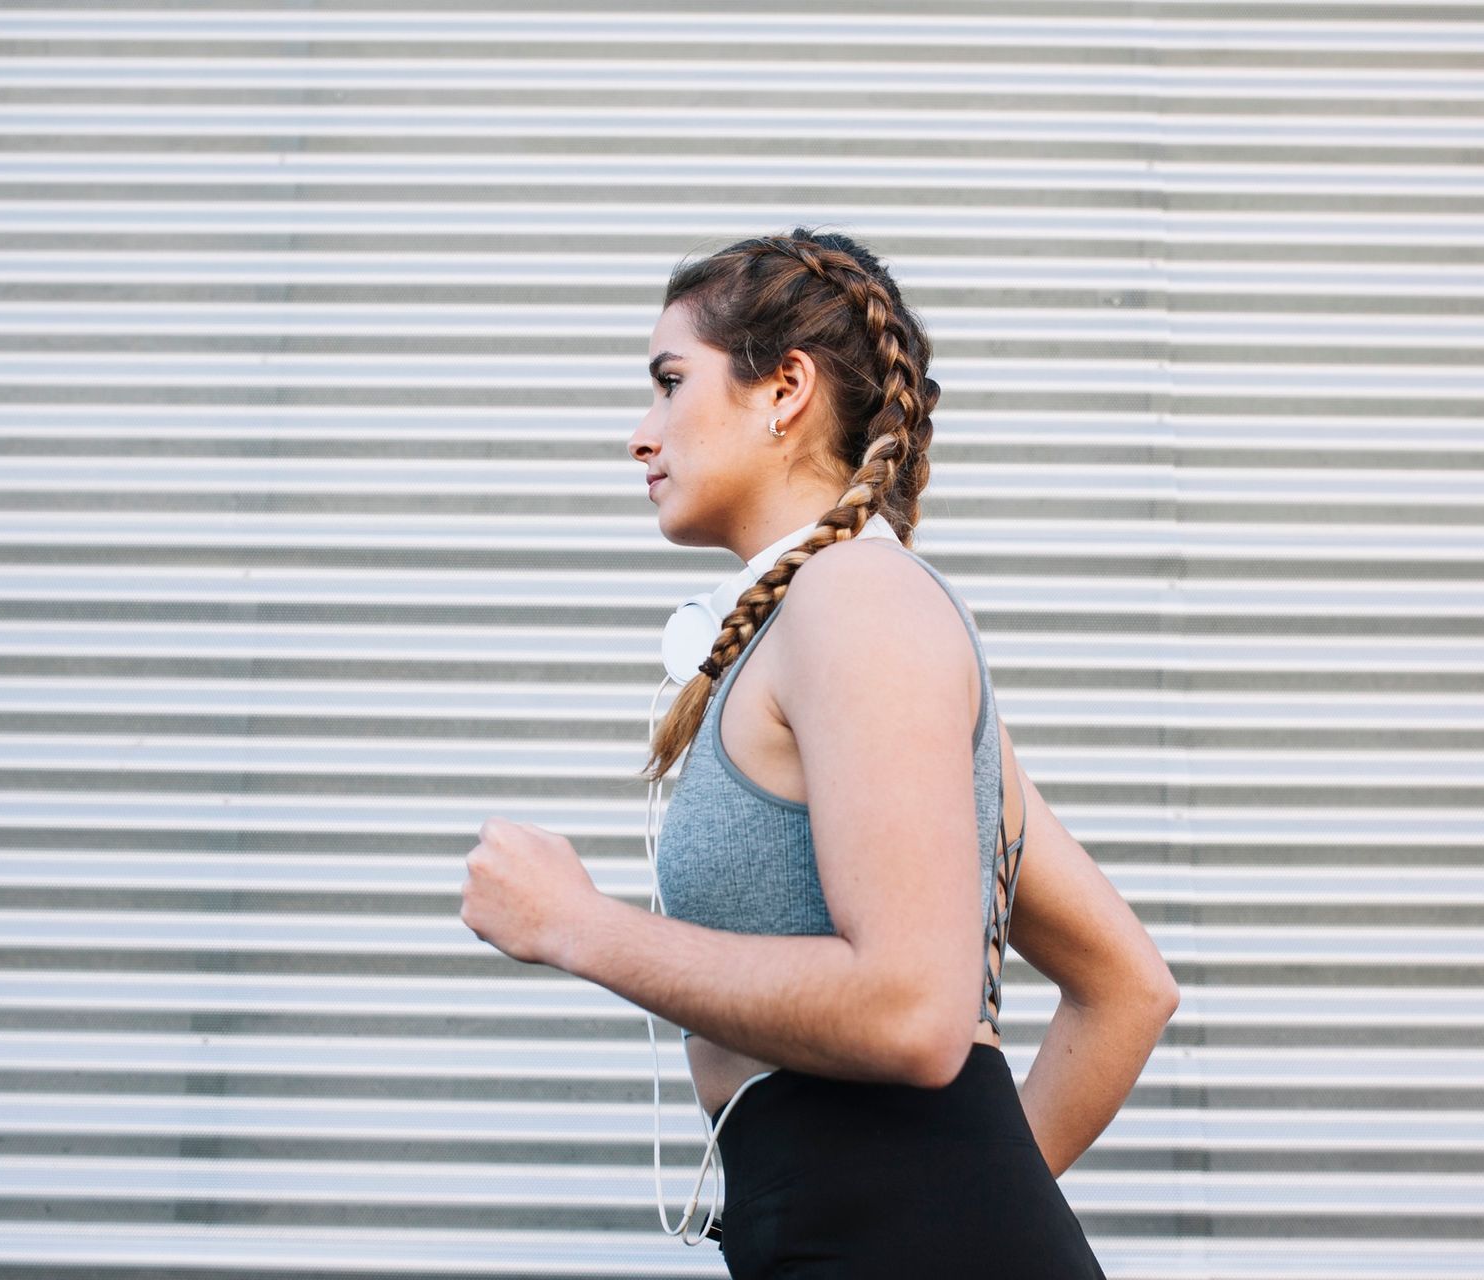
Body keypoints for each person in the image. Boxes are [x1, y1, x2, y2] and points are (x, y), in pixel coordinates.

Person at [459, 227, 1181, 1278]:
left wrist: (579, 925)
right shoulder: (832, 618)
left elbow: (912, 1009)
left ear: (783, 387)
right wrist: (956, 1207)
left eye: (670, 382)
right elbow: (1131, 982)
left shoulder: (858, 596)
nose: (640, 432)